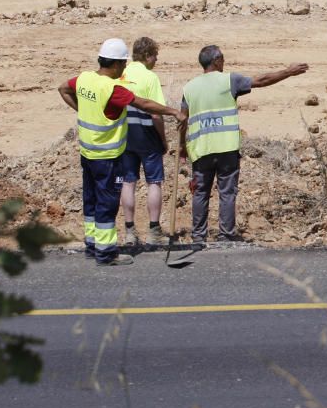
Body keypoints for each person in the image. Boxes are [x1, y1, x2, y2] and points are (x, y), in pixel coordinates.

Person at [58, 38, 186, 266]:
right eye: (123, 64)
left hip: (87, 153)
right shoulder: (111, 89)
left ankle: (92, 245)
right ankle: (106, 253)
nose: (125, 68)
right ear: (116, 64)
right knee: (107, 204)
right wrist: (174, 112)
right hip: (107, 157)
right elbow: (144, 104)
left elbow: (63, 89)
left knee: (91, 201)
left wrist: (82, 109)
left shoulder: (84, 78)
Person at [178, 45, 308, 244]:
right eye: (222, 58)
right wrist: (288, 72)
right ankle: (226, 235)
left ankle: (198, 237)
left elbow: (182, 119)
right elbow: (261, 80)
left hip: (201, 149)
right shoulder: (229, 80)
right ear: (217, 60)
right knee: (227, 192)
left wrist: (181, 145)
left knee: (200, 193)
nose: (224, 61)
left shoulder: (189, 88)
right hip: (226, 148)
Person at [119, 37, 168, 246]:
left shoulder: (121, 74)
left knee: (128, 182)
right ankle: (154, 231)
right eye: (155, 55)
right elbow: (156, 113)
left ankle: (130, 231)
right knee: (154, 182)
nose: (156, 59)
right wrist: (163, 140)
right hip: (147, 134)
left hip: (124, 135)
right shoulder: (150, 77)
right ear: (147, 55)